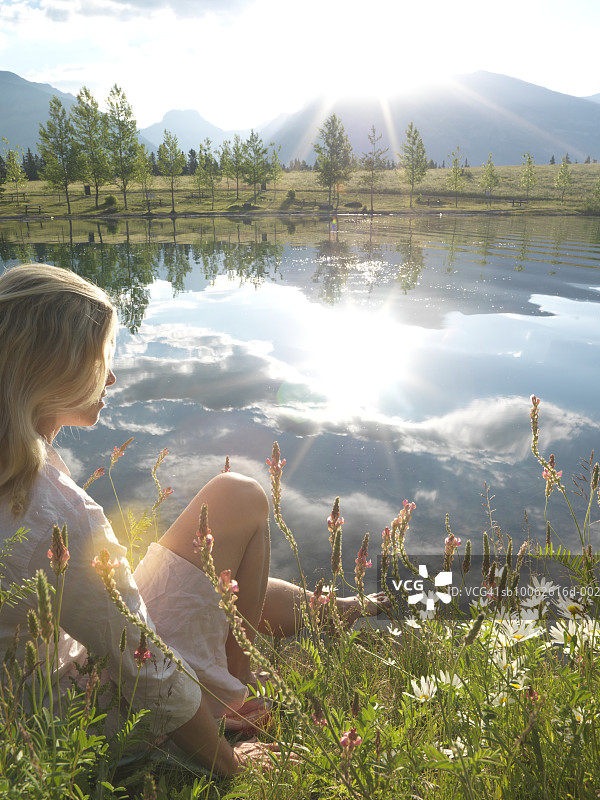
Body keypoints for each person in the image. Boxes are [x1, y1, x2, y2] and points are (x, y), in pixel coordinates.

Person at [0, 263, 387, 775]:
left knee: (220, 533)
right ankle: (237, 692)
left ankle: (332, 612)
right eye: (99, 362)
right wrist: (232, 765)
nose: (111, 378)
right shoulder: (59, 513)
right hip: (64, 719)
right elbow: (150, 671)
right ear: (51, 371)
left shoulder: (22, 467)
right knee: (240, 498)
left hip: (37, 685)